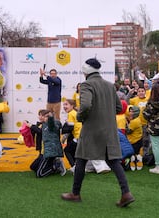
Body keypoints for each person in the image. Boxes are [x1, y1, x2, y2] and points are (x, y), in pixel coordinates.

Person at [61, 58, 134, 207]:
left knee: (81, 158)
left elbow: (86, 105)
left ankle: (75, 193)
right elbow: (120, 108)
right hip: (109, 129)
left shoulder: (87, 84)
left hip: (91, 130)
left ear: (86, 71)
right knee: (114, 161)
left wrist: (80, 116)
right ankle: (126, 193)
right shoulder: (109, 85)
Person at [28, 111, 66, 178]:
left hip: (49, 152)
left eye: (46, 116)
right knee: (33, 167)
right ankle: (53, 164)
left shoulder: (54, 123)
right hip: (43, 152)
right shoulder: (43, 124)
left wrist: (51, 117)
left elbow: (51, 125)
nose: (43, 118)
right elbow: (37, 129)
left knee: (39, 174)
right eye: (42, 116)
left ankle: (55, 167)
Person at [62, 99, 82, 172]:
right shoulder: (74, 113)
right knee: (73, 150)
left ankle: (74, 166)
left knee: (67, 150)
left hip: (78, 136)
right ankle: (76, 166)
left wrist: (62, 137)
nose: (64, 106)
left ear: (72, 106)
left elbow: (70, 128)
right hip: (80, 136)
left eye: (66, 104)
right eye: (64, 104)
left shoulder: (71, 114)